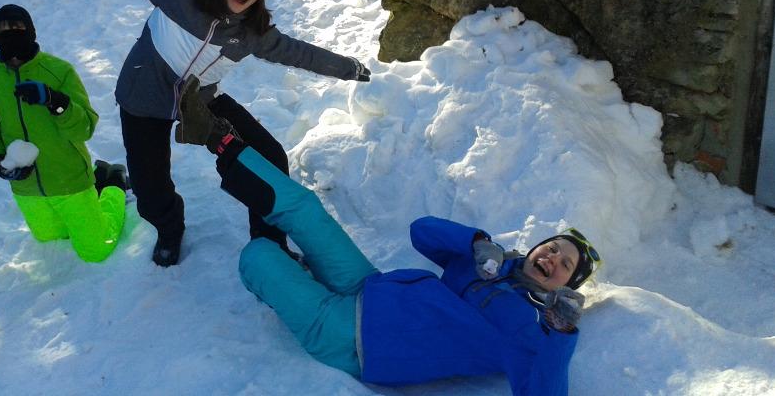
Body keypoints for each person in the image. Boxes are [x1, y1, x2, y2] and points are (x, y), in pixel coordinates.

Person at [175, 78, 599, 395]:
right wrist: (474, 242)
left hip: (354, 340)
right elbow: (422, 233)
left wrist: (560, 334)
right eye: (553, 247)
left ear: (565, 287)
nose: (552, 258)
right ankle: (215, 137)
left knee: (259, 255)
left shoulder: (527, 328)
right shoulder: (491, 262)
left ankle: (288, 273)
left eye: (565, 266)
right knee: (306, 209)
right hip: (369, 286)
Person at [66, 0, 372, 267]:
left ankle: (270, 243)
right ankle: (169, 229)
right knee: (150, 189)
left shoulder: (252, 32)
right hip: (144, 97)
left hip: (199, 101)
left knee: (268, 156)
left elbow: (299, 52)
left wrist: (347, 67)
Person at [0, 4, 128, 263]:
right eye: (0, 29)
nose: (8, 33)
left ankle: (113, 184)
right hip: (25, 186)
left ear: (30, 30)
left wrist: (55, 101)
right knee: (50, 237)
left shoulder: (58, 71)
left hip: (68, 178)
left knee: (96, 250)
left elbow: (85, 128)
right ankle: (99, 174)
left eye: (16, 26)